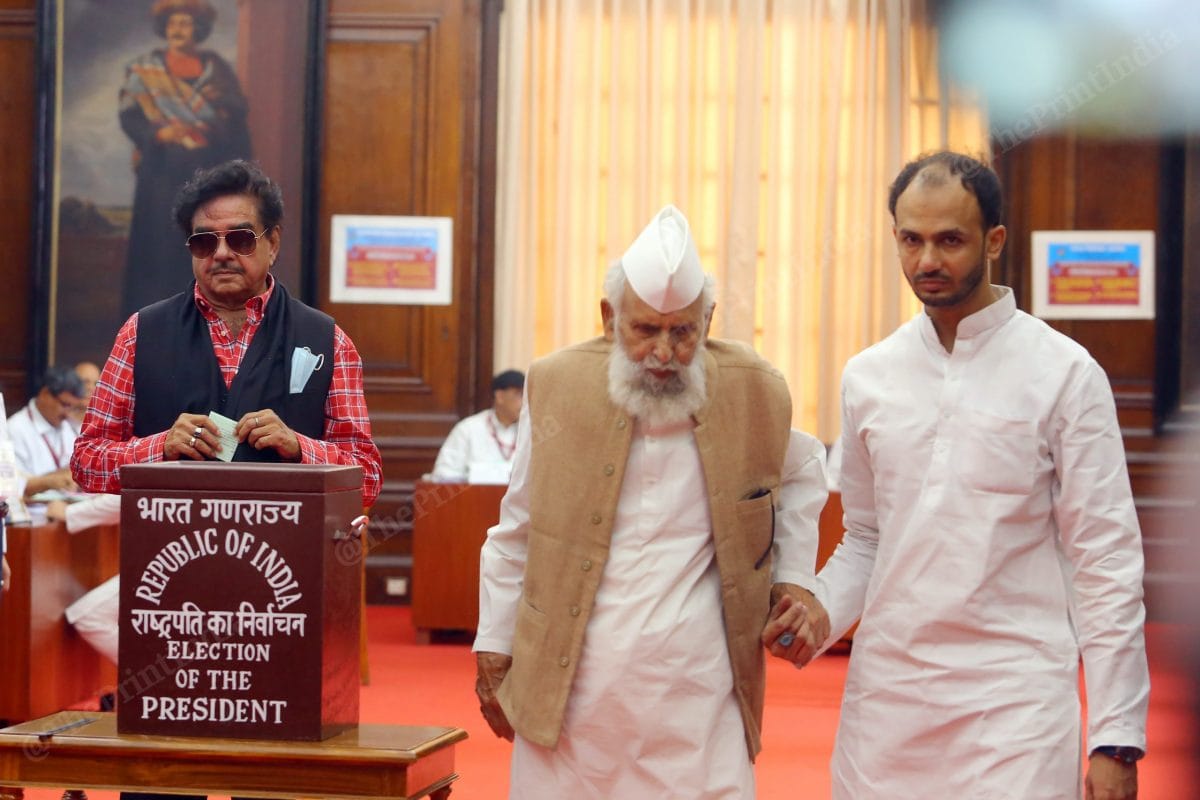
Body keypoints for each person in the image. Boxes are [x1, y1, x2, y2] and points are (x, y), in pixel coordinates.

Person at [811, 151, 1149, 799]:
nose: (927, 261)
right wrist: (814, 619)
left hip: (1016, 705)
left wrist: (1116, 735)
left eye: (949, 240)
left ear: (994, 240)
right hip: (889, 704)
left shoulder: (1065, 374)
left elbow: (1105, 560)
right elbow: (864, 540)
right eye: (911, 240)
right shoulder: (869, 376)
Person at [473, 205, 830, 798]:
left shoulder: (755, 387)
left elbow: (802, 473)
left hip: (698, 691)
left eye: (683, 331)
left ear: (708, 320)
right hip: (572, 687)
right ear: (610, 316)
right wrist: (493, 648)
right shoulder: (556, 382)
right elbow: (517, 529)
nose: (663, 352)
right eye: (644, 330)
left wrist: (794, 579)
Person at [72, 158, 381, 800]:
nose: (221, 254)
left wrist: (301, 448)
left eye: (240, 238)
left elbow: (367, 473)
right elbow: (87, 462)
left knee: (274, 777)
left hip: (281, 609)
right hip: (172, 607)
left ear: (271, 243)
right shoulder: (142, 334)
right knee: (163, 776)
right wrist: (161, 445)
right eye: (203, 241)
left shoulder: (327, 340)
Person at [119, 0, 253, 318]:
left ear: (198, 29)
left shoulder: (217, 70)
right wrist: (160, 135)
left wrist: (206, 127)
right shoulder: (144, 70)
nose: (177, 30)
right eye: (173, 23)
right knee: (159, 249)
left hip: (206, 179)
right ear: (164, 28)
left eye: (185, 23)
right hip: (160, 180)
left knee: (200, 246)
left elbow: (235, 118)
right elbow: (131, 119)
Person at [6, 365, 85, 502]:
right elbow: (12, 485)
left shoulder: (70, 426)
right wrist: (50, 481)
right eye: (65, 405)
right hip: (33, 515)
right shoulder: (15, 429)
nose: (67, 414)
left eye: (73, 407)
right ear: (45, 394)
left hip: (68, 510)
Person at [430, 369, 524, 482]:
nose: (525, 402)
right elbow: (443, 474)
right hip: (473, 497)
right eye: (519, 394)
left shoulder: (530, 431)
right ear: (500, 396)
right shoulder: (468, 429)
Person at [68, 361, 102, 433]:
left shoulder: (102, 425)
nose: (91, 388)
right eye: (85, 382)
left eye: (96, 383)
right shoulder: (58, 420)